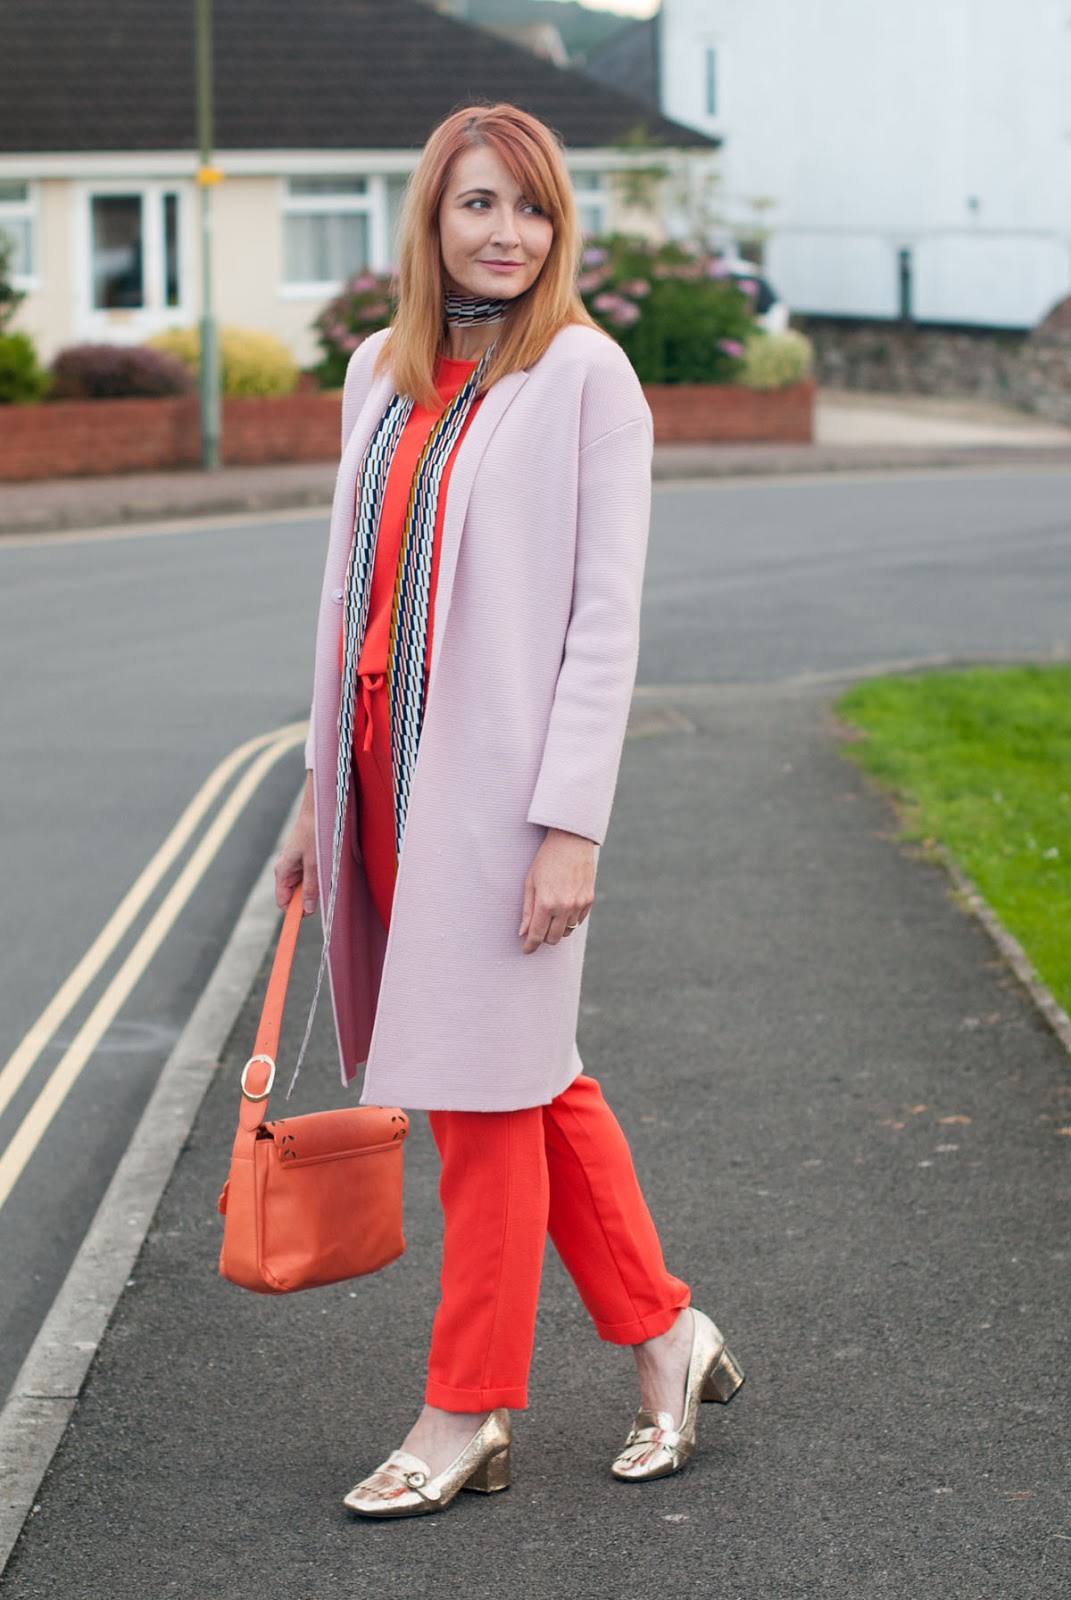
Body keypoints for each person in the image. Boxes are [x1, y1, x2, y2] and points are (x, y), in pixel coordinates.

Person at [274, 102, 743, 1520]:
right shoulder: (378, 372)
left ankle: (464, 1410)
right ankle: (668, 1335)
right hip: (375, 780)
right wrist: (311, 792)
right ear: (432, 219)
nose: (506, 234)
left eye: (532, 210)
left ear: (559, 230)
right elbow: (342, 593)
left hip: (492, 802)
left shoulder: (586, 376)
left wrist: (571, 822)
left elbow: (606, 620)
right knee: (532, 1076)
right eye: (479, 205)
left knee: (483, 1101)